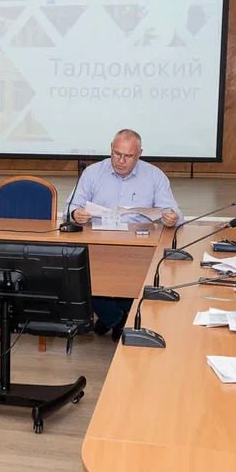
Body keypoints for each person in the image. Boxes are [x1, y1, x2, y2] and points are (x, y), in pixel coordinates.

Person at [67, 129, 181, 340]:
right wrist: (76, 214)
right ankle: (115, 318)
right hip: (98, 242)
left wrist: (171, 218)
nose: (120, 161)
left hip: (138, 245)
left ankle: (120, 317)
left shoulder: (154, 175)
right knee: (79, 271)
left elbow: (173, 212)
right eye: (116, 154)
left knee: (139, 274)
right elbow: (72, 207)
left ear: (140, 154)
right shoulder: (92, 172)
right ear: (111, 149)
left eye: (128, 156)